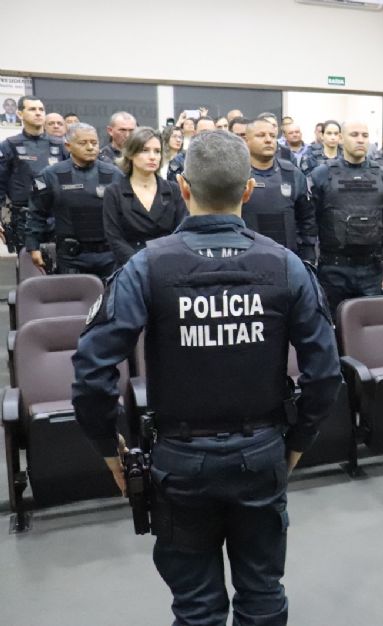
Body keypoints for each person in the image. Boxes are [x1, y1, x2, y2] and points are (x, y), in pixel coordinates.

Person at [71, 129, 342, 626]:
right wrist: (298, 442)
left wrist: (110, 449)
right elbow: (324, 373)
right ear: (248, 190)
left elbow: (91, 372)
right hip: (262, 454)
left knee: (197, 608)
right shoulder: (287, 266)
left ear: (183, 187)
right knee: (263, 595)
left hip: (179, 462)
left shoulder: (146, 266)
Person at [308, 120, 383, 314]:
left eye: (365, 135)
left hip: (372, 270)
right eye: (354, 135)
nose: (360, 140)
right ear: (341, 138)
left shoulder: (382, 176)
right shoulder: (321, 174)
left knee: (370, 326)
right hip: (333, 270)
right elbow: (310, 223)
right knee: (333, 325)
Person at [25, 123, 122, 278]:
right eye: (83, 143)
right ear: (68, 146)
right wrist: (33, 246)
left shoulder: (114, 174)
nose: (90, 147)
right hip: (71, 258)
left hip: (109, 256)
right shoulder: (49, 175)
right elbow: (36, 212)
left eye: (94, 143)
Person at [103, 127, 187, 267]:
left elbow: (181, 231)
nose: (153, 157)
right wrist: (140, 265)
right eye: (145, 150)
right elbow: (114, 238)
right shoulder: (114, 192)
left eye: (157, 151)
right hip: (130, 266)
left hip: (169, 263)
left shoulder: (173, 190)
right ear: (131, 153)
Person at [241, 117, 316, 261]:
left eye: (272, 136)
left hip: (286, 259)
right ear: (246, 141)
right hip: (247, 259)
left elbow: (307, 219)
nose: (268, 140)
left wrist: (307, 257)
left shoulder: (293, 174)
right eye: (261, 135)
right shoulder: (236, 175)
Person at [0, 96, 67, 251]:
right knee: (29, 262)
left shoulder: (60, 145)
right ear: (20, 114)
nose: (38, 113)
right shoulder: (9, 145)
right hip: (25, 217)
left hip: (58, 216)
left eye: (41, 109)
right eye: (32, 109)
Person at [166, 117, 216, 184]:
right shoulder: (179, 160)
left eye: (211, 133)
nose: (208, 136)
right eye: (203, 132)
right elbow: (173, 188)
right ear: (194, 133)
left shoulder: (222, 159)